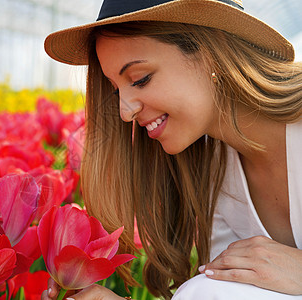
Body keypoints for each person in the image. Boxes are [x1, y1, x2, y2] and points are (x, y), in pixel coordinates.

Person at [42, 0, 302, 299]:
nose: (125, 112)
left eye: (140, 79)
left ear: (211, 55)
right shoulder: (212, 167)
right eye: (117, 89)